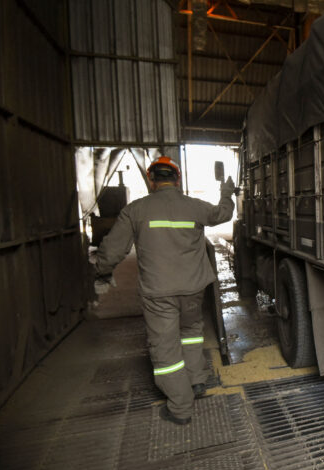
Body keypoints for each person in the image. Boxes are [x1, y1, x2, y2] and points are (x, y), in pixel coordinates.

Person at [92, 156, 235, 425]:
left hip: (159, 293)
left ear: (151, 180)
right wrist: (226, 193)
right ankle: (196, 382)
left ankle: (181, 408)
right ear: (177, 179)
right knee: (191, 333)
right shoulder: (194, 207)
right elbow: (223, 214)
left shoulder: (135, 210)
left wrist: (101, 271)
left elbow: (112, 251)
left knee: (166, 349)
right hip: (194, 289)